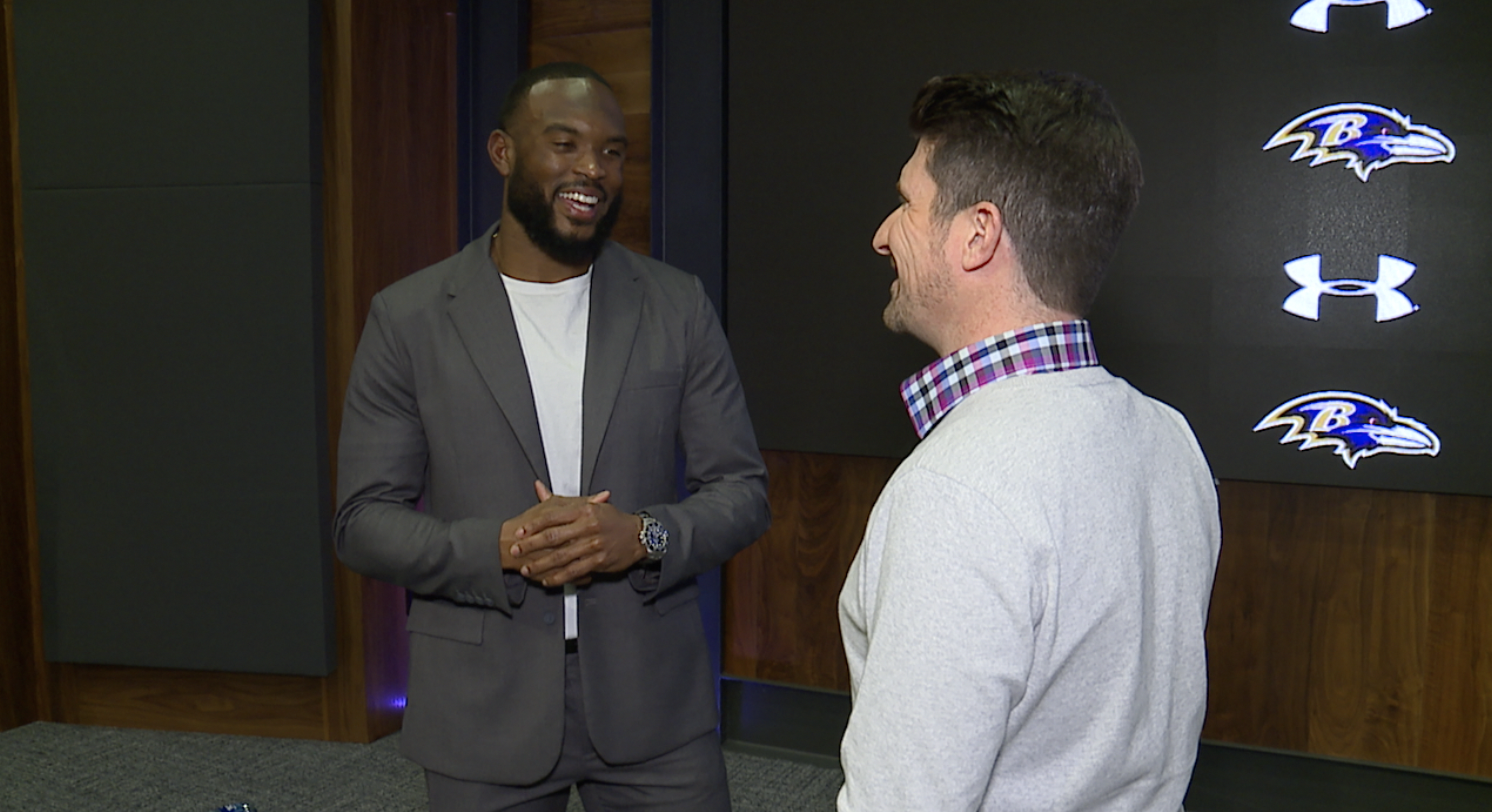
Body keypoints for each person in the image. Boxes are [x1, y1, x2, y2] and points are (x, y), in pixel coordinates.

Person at [334, 62, 769, 812]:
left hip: (654, 705)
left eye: (611, 152)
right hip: (480, 708)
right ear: (503, 153)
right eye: (565, 144)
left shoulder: (676, 306)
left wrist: (642, 536)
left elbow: (742, 492)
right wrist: (501, 548)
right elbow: (362, 521)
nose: (592, 169)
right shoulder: (408, 319)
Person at [837, 70, 1221, 812]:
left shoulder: (956, 490)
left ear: (977, 234)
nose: (882, 235)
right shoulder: (1171, 439)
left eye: (907, 204)